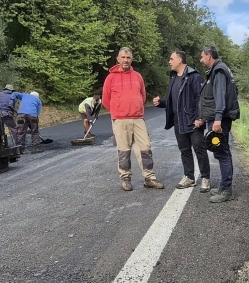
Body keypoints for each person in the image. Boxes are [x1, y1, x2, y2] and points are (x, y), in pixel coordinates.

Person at [102, 47, 164, 191]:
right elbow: (106, 99)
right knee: (124, 150)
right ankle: (125, 178)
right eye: (123, 57)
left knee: (145, 148)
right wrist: (118, 111)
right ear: (118, 59)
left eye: (128, 57)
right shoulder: (110, 78)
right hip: (120, 119)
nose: (126, 60)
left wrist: (136, 108)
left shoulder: (137, 76)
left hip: (138, 118)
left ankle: (149, 178)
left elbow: (142, 95)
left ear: (132, 59)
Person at [153, 51, 210, 192]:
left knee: (199, 149)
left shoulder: (194, 76)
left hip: (193, 121)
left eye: (171, 59)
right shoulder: (173, 77)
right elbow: (174, 100)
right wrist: (161, 103)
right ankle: (189, 177)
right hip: (178, 121)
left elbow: (201, 99)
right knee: (184, 150)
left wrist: (200, 118)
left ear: (179, 60)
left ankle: (205, 178)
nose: (169, 61)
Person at [197, 45, 240, 203]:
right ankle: (223, 186)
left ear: (209, 56)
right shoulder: (217, 69)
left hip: (220, 119)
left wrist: (218, 119)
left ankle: (227, 190)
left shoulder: (219, 71)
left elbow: (220, 96)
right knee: (221, 151)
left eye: (202, 57)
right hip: (217, 117)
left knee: (222, 152)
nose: (201, 60)